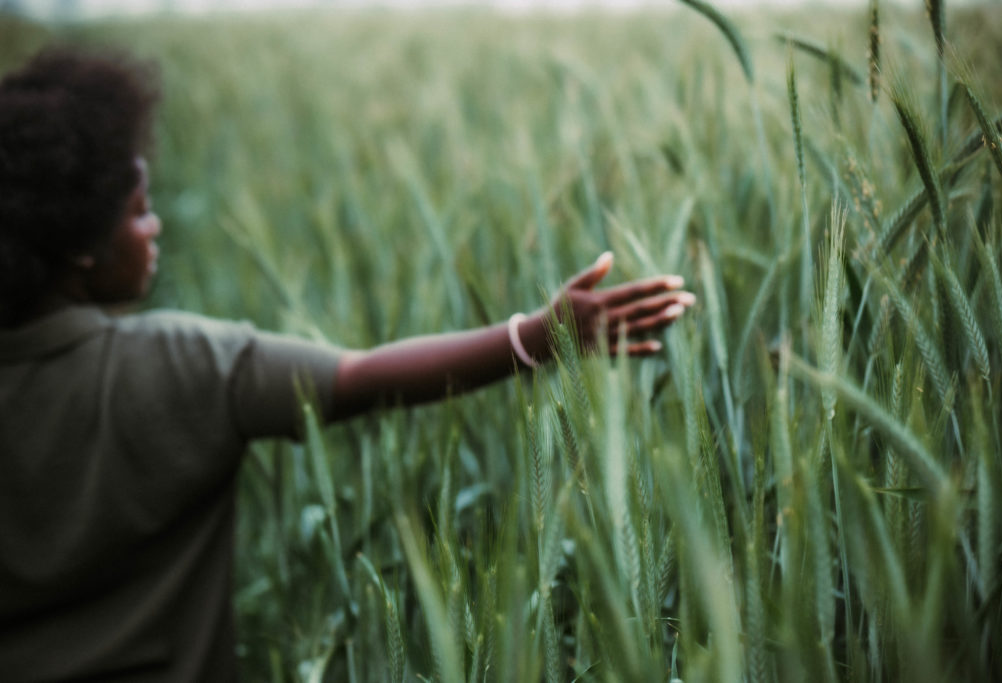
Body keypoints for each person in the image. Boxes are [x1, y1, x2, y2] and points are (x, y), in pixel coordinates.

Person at [0, 47, 695, 681]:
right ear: (81, 249)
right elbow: (363, 377)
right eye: (139, 210)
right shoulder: (181, 365)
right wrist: (536, 338)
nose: (155, 228)